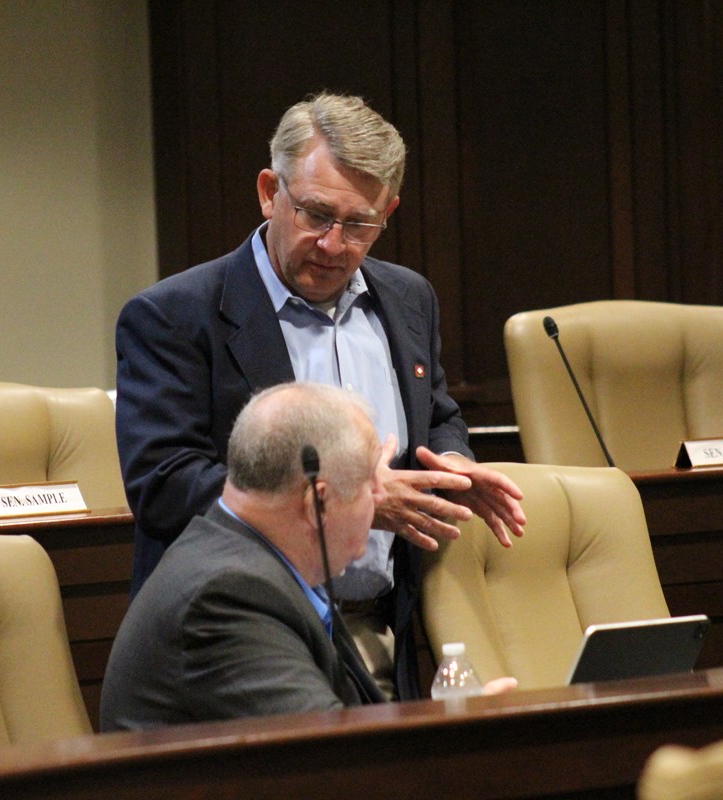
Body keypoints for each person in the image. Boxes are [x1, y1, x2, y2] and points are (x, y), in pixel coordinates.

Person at [115, 91, 526, 699]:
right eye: (315, 215)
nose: (335, 244)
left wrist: (451, 464)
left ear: (389, 211)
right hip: (242, 632)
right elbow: (165, 486)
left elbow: (438, 416)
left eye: (360, 224)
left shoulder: (409, 298)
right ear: (269, 192)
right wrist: (357, 500)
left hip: (389, 630)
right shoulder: (175, 316)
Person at [101, 382, 516, 729]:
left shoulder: (251, 562)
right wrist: (454, 738)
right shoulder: (228, 597)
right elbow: (333, 764)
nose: (381, 496)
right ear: (317, 502)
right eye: (370, 482)